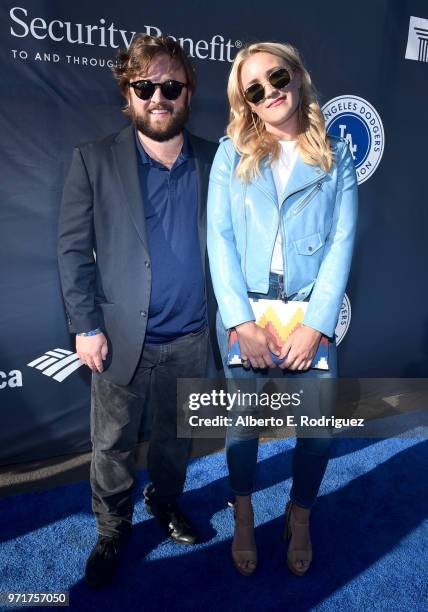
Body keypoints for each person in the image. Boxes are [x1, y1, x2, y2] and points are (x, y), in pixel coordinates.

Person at [58, 33, 217, 589]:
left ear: (187, 93)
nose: (158, 96)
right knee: (114, 443)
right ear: (127, 93)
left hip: (194, 336)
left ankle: (166, 500)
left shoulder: (217, 161)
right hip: (121, 337)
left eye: (170, 85)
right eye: (144, 86)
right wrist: (85, 326)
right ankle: (112, 528)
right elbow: (74, 250)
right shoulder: (93, 160)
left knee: (177, 438)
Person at [207, 42, 358, 576]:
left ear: (296, 75)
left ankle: (300, 516)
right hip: (247, 315)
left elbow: (342, 243)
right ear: (245, 102)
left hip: (307, 317)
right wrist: (240, 321)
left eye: (276, 77)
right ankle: (243, 516)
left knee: (318, 431)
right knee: (243, 428)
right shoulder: (231, 153)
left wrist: (316, 324)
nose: (269, 92)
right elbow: (219, 239)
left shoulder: (335, 156)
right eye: (254, 88)